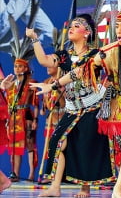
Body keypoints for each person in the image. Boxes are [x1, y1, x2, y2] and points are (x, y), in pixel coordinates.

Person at [27, 15, 115, 198]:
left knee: (84, 147)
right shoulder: (64, 55)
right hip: (71, 108)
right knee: (57, 141)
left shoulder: (94, 55)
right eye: (71, 26)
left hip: (92, 107)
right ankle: (55, 186)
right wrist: (34, 38)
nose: (71, 29)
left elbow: (80, 73)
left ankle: (85, 189)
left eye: (77, 26)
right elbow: (44, 60)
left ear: (87, 33)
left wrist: (52, 85)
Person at [1, 41, 39, 182]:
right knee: (14, 145)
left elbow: (35, 104)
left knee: (30, 144)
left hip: (26, 117)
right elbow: (6, 102)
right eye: (15, 66)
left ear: (26, 68)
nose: (17, 69)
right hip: (13, 118)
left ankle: (31, 174)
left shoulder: (31, 83)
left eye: (20, 66)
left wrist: (35, 120)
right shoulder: (10, 84)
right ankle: (15, 173)